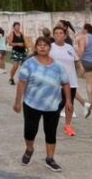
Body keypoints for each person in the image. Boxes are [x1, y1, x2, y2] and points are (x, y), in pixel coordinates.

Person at [13, 35, 70, 171]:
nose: (42, 47)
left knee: (50, 132)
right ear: (36, 47)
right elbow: (22, 84)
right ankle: (29, 149)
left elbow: (66, 83)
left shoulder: (58, 66)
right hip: (32, 103)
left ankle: (50, 159)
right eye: (40, 45)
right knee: (30, 131)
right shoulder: (29, 63)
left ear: (50, 48)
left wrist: (68, 100)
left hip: (52, 105)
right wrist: (17, 102)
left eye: (45, 45)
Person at [51, 24, 91, 137]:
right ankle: (52, 123)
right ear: (53, 35)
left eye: (61, 33)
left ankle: (68, 126)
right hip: (56, 82)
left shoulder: (69, 48)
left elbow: (77, 61)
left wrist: (81, 68)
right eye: (56, 33)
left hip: (71, 80)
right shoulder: (50, 47)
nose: (58, 35)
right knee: (57, 104)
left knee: (69, 103)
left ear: (65, 36)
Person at [8, 22, 28, 86]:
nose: (18, 27)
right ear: (14, 27)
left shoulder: (21, 33)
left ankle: (24, 79)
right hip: (15, 51)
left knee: (25, 66)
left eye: (19, 26)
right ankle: (11, 78)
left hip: (23, 51)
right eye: (17, 26)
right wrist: (18, 44)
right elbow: (10, 43)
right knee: (15, 66)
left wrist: (27, 48)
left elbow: (25, 42)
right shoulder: (12, 33)